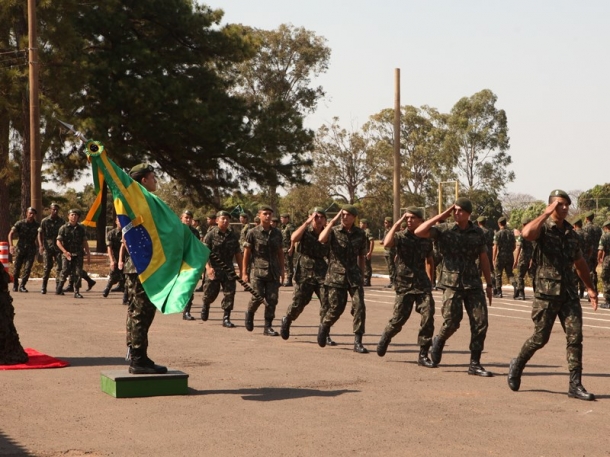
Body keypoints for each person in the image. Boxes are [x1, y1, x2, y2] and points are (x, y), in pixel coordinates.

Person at [507, 190, 598, 401]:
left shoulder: (571, 234)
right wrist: (545, 214)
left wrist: (591, 288)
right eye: (559, 204)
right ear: (551, 206)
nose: (564, 208)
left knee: (575, 337)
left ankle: (575, 385)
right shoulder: (543, 230)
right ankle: (517, 363)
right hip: (546, 295)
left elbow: (580, 263)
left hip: (568, 294)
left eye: (567, 204)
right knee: (540, 338)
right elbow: (527, 234)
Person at [415, 197, 493, 377]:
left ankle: (475, 363)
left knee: (481, 323)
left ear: (468, 213)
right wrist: (442, 215)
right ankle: (439, 341)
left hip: (473, 283)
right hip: (452, 284)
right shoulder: (444, 229)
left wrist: (489, 284)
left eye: (460, 210)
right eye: (454, 210)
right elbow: (419, 232)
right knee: (451, 322)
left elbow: (483, 258)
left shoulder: (478, 232)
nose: (456, 213)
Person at [123, 163, 167, 374]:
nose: (156, 180)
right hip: (143, 265)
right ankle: (138, 359)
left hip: (138, 265)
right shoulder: (142, 202)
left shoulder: (133, 200)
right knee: (141, 311)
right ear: (144, 181)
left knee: (135, 311)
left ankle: (137, 354)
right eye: (153, 177)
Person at [377, 207, 435, 367]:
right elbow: (388, 243)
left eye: (412, 218)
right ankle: (387, 336)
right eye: (407, 218)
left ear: (421, 221)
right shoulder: (401, 236)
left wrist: (431, 281)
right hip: (404, 283)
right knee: (399, 319)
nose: (409, 220)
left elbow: (430, 260)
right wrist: (397, 223)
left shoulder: (426, 239)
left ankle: (423, 354)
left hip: (422, 283)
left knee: (428, 313)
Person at [280, 207, 336, 345]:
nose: (318, 220)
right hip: (304, 271)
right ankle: (287, 319)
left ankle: (325, 332)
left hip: (322, 271)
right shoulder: (305, 231)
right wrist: (306, 223)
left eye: (321, 217)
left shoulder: (329, 233)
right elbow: (293, 237)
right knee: (299, 303)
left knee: (327, 302)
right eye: (315, 217)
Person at [318, 205, 369, 354]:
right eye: (342, 214)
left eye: (347, 215)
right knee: (336, 308)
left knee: (360, 306)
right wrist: (332, 221)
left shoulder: (360, 234)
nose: (344, 217)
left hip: (354, 275)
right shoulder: (333, 231)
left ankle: (358, 341)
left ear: (354, 217)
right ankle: (324, 326)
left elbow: (361, 256)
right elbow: (321, 239)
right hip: (335, 275)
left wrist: (362, 274)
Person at [242, 205, 284, 335]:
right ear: (259, 215)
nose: (268, 216)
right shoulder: (252, 233)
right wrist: (244, 272)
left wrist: (283, 270)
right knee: (257, 297)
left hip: (273, 271)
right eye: (265, 213)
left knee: (272, 299)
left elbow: (280, 252)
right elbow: (247, 254)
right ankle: (250, 313)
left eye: (270, 214)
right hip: (257, 271)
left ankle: (268, 326)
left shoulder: (277, 233)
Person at [201, 211, 243, 327]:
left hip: (228, 269)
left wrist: (242, 271)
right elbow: (204, 253)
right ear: (217, 220)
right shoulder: (211, 235)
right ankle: (206, 304)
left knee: (230, 294)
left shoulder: (233, 236)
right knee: (210, 293)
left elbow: (238, 254)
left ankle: (226, 317)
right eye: (223, 218)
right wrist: (208, 268)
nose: (225, 221)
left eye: (227, 219)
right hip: (214, 268)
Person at [56, 209, 90, 299]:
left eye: (76, 215)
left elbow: (84, 241)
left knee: (78, 272)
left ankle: (76, 291)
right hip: (67, 254)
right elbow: (58, 242)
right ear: (68, 216)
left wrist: (88, 253)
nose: (74, 217)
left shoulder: (81, 228)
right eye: (72, 215)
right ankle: (59, 288)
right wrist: (65, 252)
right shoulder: (63, 228)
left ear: (78, 217)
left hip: (78, 254)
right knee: (65, 271)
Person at [8, 207, 40, 292]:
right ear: (26, 213)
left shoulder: (37, 225)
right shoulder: (20, 223)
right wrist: (11, 246)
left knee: (28, 268)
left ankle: (22, 286)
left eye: (33, 214)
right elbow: (10, 234)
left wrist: (41, 245)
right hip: (20, 248)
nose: (31, 215)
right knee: (16, 268)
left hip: (31, 249)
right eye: (30, 213)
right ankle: (15, 285)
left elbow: (40, 235)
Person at [38, 203, 65, 294]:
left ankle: (58, 288)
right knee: (47, 268)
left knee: (59, 268)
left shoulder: (61, 221)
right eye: (53, 209)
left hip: (58, 248)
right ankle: (43, 287)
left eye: (57, 210)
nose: (55, 211)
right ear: (50, 210)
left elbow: (64, 234)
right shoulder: (45, 221)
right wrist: (41, 245)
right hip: (47, 247)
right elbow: (40, 234)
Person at [180, 210, 201, 321]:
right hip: (177, 262)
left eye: (190, 218)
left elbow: (197, 247)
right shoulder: (176, 230)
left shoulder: (195, 232)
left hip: (189, 262)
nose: (188, 220)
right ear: (181, 219)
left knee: (189, 287)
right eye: (186, 217)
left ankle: (186, 311)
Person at [493, 216, 516, 298]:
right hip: (510, 256)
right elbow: (514, 246)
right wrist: (509, 252)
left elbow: (495, 247)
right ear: (505, 223)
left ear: (499, 224)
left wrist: (494, 258)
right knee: (510, 274)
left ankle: (499, 292)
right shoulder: (511, 233)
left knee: (498, 274)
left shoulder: (498, 234)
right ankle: (515, 286)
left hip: (501, 256)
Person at [512, 216, 534, 301]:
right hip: (533, 257)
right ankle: (537, 292)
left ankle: (521, 293)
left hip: (524, 257)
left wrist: (516, 260)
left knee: (520, 276)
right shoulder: (534, 234)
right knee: (533, 276)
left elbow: (519, 248)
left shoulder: (523, 234)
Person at [102, 217, 124, 298]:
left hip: (126, 257)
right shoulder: (111, 233)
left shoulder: (128, 233)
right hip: (115, 256)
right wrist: (111, 260)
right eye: (119, 221)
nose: (121, 223)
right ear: (116, 222)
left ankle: (123, 290)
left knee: (126, 275)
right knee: (113, 273)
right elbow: (109, 248)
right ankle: (107, 289)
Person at [582, 211, 602, 299]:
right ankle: (595, 290)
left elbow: (584, 240)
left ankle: (591, 291)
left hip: (588, 253)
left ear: (586, 218)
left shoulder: (586, 228)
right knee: (594, 271)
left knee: (588, 272)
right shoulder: (598, 228)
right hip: (596, 252)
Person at [477, 216, 496, 292]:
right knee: (490, 269)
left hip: (480, 251)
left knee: (478, 270)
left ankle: (479, 287)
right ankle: (494, 286)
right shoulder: (490, 231)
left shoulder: (478, 230)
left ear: (478, 223)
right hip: (489, 250)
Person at [572, 218, 587, 299]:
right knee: (583, 275)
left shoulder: (574, 234)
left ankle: (574, 293)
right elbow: (590, 247)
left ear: (575, 225)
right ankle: (581, 293)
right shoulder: (586, 234)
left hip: (576, 257)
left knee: (574, 276)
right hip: (584, 257)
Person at [280, 213, 295, 287]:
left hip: (288, 248)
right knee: (285, 264)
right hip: (283, 248)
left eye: (283, 218)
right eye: (281, 218)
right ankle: (287, 278)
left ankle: (289, 279)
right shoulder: (283, 227)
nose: (281, 219)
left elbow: (293, 238)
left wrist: (291, 247)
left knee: (289, 264)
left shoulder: (290, 227)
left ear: (287, 218)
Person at [597, 221, 610, 309]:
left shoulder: (605, 236)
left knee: (606, 279)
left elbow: (601, 250)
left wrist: (599, 259)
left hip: (608, 260)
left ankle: (608, 301)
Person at [359, 219, 375, 287]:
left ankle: (367, 280)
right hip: (361, 251)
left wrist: (370, 252)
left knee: (367, 266)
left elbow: (372, 241)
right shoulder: (360, 231)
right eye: (361, 223)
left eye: (363, 223)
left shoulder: (367, 231)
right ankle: (362, 280)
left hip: (366, 251)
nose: (362, 225)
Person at [382, 217, 396, 288]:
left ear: (390, 223)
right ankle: (391, 281)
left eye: (386, 222)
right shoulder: (386, 231)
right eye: (384, 222)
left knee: (392, 267)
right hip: (386, 251)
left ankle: (393, 282)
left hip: (391, 251)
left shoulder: (392, 231)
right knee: (389, 267)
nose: (385, 224)